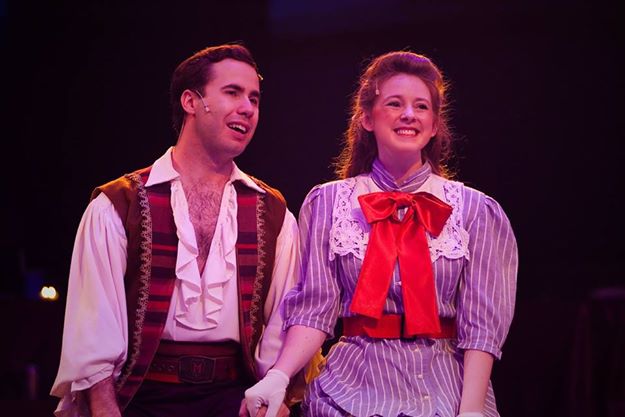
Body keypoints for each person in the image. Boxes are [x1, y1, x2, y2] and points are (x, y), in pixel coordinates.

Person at [243, 51, 518, 417]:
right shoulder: (329, 202)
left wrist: (470, 409)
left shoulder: (476, 210)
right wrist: (278, 376)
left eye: (421, 106)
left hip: (445, 392)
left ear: (435, 125)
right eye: (394, 103)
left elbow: (482, 328)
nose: (408, 115)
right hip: (351, 388)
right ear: (367, 119)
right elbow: (315, 308)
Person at [51, 44, 302, 417]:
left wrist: (275, 397)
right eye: (232, 92)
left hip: (235, 401)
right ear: (190, 101)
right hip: (140, 398)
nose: (248, 108)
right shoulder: (118, 204)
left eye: (254, 98)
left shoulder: (273, 212)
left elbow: (285, 320)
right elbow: (93, 329)